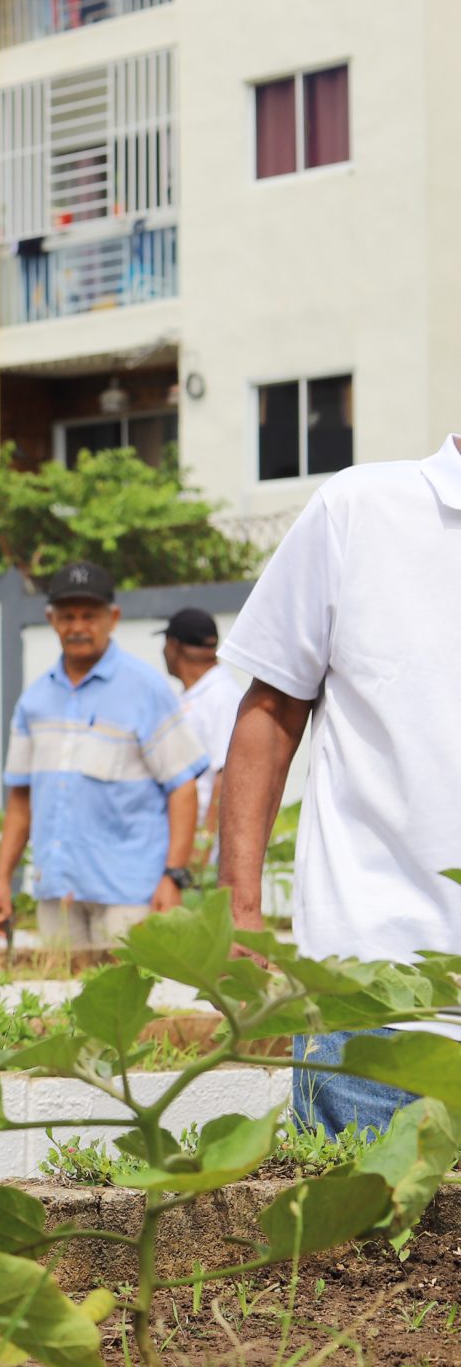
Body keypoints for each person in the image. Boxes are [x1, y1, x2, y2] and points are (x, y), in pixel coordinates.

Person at [218, 435, 461, 1135]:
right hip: (373, 1002)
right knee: (357, 1210)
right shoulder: (362, 508)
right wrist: (239, 908)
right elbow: (272, 711)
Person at [0, 562, 206, 951]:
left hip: (130, 894)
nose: (78, 627)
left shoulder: (145, 689)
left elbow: (182, 787)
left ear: (112, 618)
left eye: (89, 616)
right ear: (51, 620)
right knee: (59, 987)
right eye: (67, 616)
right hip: (58, 893)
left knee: (130, 990)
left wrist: (173, 876)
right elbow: (21, 797)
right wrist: (2, 878)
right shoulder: (35, 701)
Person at [161, 606, 241, 858]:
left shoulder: (221, 696)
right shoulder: (196, 695)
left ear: (172, 645)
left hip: (202, 850)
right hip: (183, 838)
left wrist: (202, 846)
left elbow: (226, 776)